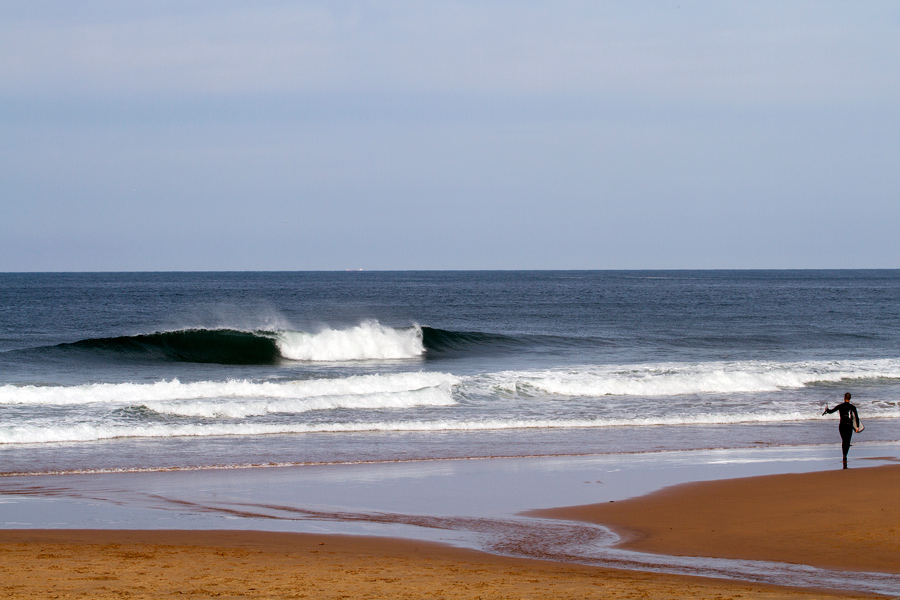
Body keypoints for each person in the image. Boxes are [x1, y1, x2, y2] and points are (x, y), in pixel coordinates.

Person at [823, 392, 860, 464]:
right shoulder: (853, 407)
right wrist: (857, 427)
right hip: (849, 426)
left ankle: (844, 455)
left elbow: (831, 411)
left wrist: (827, 409)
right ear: (850, 398)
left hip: (842, 426)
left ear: (844, 397)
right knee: (847, 441)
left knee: (844, 441)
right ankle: (845, 455)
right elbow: (857, 417)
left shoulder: (840, 406)